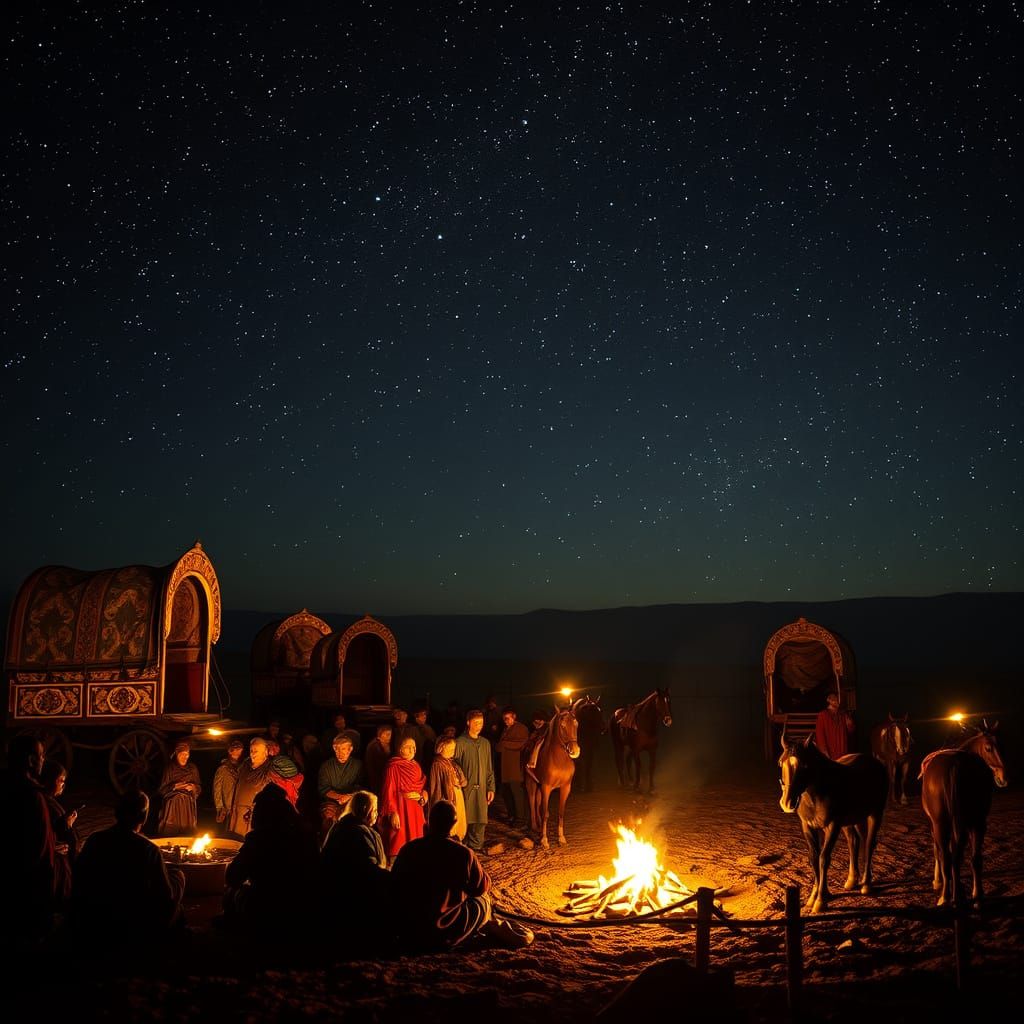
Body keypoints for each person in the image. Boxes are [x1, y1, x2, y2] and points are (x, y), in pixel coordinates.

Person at [71, 789, 185, 949]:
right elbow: (164, 896)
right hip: (134, 920)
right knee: (178, 877)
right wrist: (174, 867)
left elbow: (79, 877)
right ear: (144, 817)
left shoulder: (95, 840)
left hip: (96, 916)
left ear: (117, 812)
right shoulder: (149, 849)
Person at [389, 799, 492, 951]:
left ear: (429, 822)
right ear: (454, 823)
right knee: (483, 901)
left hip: (411, 928)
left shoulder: (409, 849)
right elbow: (480, 887)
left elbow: (394, 883)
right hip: (445, 928)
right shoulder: (463, 853)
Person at [222, 784, 319, 931]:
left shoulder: (259, 839)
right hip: (303, 904)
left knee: (232, 894)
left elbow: (233, 877)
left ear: (261, 813)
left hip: (268, 905)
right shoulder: (306, 835)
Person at [1, 734, 59, 945]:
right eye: (41, 756)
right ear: (30, 760)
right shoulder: (33, 797)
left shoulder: (7, 786)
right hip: (28, 891)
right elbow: (40, 852)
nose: (44, 760)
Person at [320, 790, 391, 945]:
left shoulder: (339, 827)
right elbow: (368, 870)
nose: (377, 814)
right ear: (367, 810)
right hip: (355, 896)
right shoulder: (360, 832)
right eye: (375, 810)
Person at [379, 736, 427, 865]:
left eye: (414, 747)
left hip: (415, 808)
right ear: (400, 749)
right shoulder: (393, 767)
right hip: (400, 807)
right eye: (408, 747)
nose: (412, 750)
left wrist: (422, 796)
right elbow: (388, 791)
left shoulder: (416, 766)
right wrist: (392, 813)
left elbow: (422, 787)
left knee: (416, 839)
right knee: (399, 838)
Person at [453, 709, 495, 854]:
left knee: (480, 819)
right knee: (465, 818)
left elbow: (489, 768)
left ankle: (476, 848)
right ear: (468, 723)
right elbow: (454, 765)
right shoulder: (460, 742)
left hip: (482, 788)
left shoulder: (485, 743)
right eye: (476, 723)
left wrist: (491, 788)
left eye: (481, 723)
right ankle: (462, 849)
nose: (479, 726)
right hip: (466, 789)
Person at [39, 758, 78, 909]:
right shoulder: (47, 804)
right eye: (61, 780)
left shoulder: (49, 801)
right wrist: (67, 824)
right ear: (50, 781)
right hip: (54, 863)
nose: (63, 785)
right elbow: (57, 830)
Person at [318, 734, 365, 839]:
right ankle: (326, 845)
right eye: (337, 749)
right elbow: (324, 789)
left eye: (343, 749)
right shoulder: (326, 766)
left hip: (351, 800)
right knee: (328, 817)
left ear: (350, 749)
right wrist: (339, 797)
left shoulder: (358, 765)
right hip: (332, 801)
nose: (340, 753)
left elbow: (360, 786)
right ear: (334, 749)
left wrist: (349, 797)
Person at [227, 736, 274, 838]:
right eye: (251, 750)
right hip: (236, 813)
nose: (252, 753)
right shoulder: (244, 766)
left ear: (265, 752)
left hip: (252, 817)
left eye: (256, 751)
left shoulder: (269, 771)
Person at [428, 735, 468, 841]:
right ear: (441, 747)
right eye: (449, 748)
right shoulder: (437, 764)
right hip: (447, 798)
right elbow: (436, 786)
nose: (452, 751)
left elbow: (463, 780)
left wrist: (458, 781)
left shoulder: (451, 763)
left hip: (457, 794)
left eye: (453, 749)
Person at [157, 740, 202, 835]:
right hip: (173, 802)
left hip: (187, 803)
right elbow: (162, 790)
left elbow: (198, 787)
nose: (185, 757)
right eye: (182, 754)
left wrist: (193, 787)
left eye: (187, 754)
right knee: (177, 798)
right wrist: (174, 786)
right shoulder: (170, 768)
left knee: (187, 832)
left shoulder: (192, 768)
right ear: (177, 754)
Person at [495, 706, 530, 828]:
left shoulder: (521, 728)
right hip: (505, 769)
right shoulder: (505, 729)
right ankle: (512, 815)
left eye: (507, 718)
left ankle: (520, 819)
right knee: (506, 793)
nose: (505, 720)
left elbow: (522, 743)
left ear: (514, 717)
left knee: (516, 793)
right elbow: (499, 746)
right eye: (504, 718)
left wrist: (504, 744)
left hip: (515, 768)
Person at [213, 738, 245, 826]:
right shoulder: (223, 769)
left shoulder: (241, 768)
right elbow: (217, 789)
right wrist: (219, 806)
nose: (239, 752)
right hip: (228, 805)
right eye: (236, 749)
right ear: (230, 751)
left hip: (238, 804)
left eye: (240, 750)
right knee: (228, 827)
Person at [815, 692, 855, 759]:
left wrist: (850, 724)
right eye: (834, 698)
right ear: (829, 700)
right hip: (830, 754)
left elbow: (851, 731)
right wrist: (824, 753)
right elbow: (820, 736)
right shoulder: (823, 715)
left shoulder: (842, 714)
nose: (837, 700)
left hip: (843, 753)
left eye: (837, 698)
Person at [363, 723, 393, 797]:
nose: (389, 737)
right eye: (387, 734)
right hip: (376, 778)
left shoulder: (385, 744)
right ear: (380, 734)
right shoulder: (374, 746)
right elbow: (380, 764)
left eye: (390, 734)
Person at [409, 705, 437, 775]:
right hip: (414, 760)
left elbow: (433, 738)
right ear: (416, 716)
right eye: (422, 714)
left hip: (425, 761)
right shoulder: (410, 729)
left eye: (425, 714)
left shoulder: (427, 728)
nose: (425, 716)